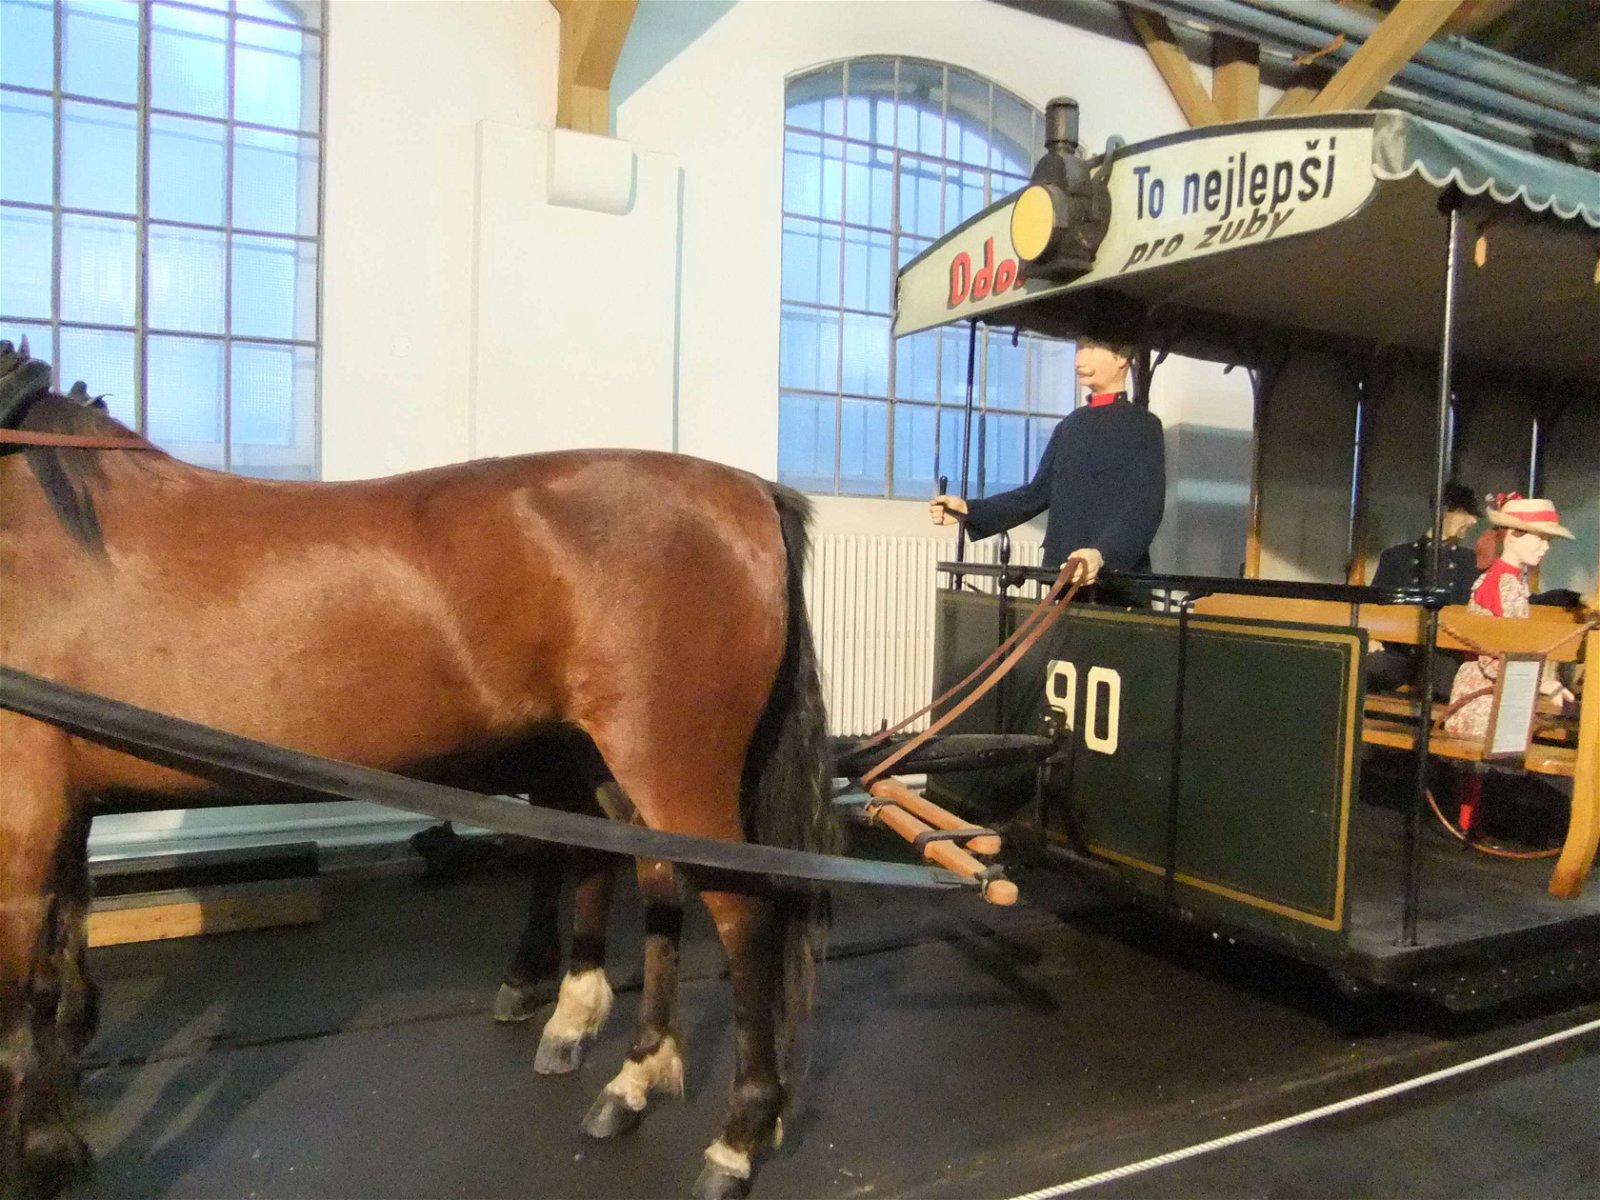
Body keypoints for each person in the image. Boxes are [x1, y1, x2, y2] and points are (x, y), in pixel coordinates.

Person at [929, 336, 1165, 598]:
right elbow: (1035, 494)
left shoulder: (1144, 427)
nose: (1079, 358)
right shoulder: (1069, 427)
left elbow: (1146, 507)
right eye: (1079, 347)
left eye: (1091, 347)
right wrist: (970, 510)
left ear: (1121, 356)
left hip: (1119, 588)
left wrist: (1102, 554)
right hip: (1063, 583)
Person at [1444, 495, 1577, 741]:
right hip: (1483, 692)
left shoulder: (1511, 581)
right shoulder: (1498, 583)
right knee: (1479, 764)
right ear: (1513, 534)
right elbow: (1491, 654)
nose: (1545, 547)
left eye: (1547, 539)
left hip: (1502, 687)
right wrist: (1540, 683)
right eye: (1540, 538)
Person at [1365, 481, 1482, 694]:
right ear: (1444, 511)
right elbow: (1375, 605)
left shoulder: (1472, 563)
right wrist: (1372, 637)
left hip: (1444, 656)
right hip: (1399, 652)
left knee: (1444, 679)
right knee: (1368, 664)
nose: (1473, 521)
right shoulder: (1396, 557)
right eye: (1467, 513)